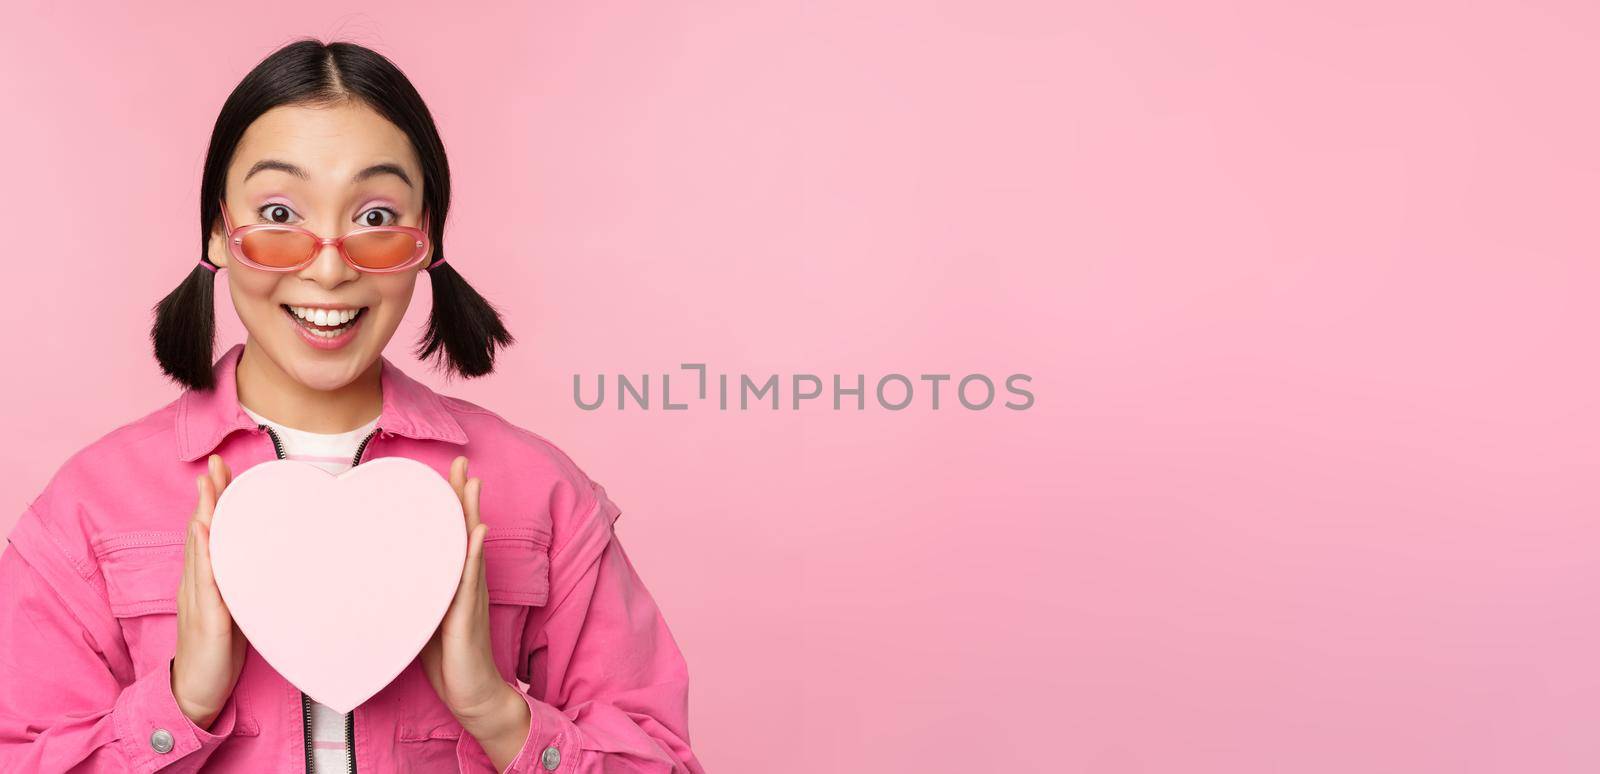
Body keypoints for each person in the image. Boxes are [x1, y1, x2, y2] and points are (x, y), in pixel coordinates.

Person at [0, 38, 703, 773]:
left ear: (426, 236)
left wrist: (495, 712)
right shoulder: (89, 509)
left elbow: (658, 761)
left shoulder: (540, 493)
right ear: (217, 229)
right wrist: (182, 702)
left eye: (374, 217)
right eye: (278, 211)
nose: (330, 266)